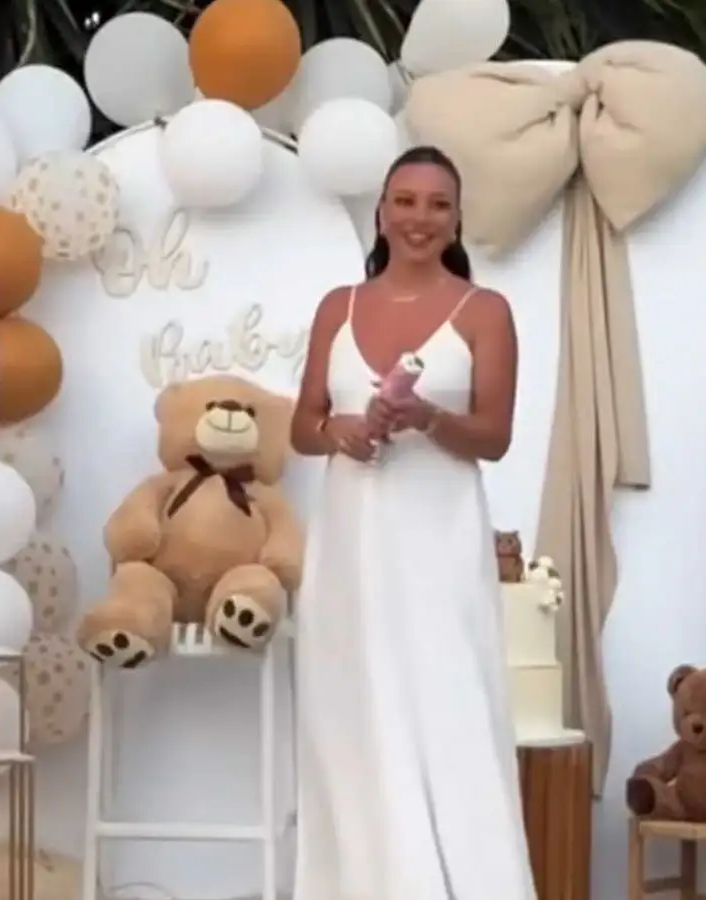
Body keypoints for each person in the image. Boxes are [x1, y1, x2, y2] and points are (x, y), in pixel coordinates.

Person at [289, 146, 535, 900]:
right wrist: (340, 432)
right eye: (405, 200)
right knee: (354, 712)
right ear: (381, 212)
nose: (419, 218)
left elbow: (494, 437)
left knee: (447, 706)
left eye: (437, 204)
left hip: (437, 545)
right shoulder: (337, 307)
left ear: (457, 219)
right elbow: (302, 426)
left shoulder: (484, 312)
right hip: (349, 547)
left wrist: (427, 418)